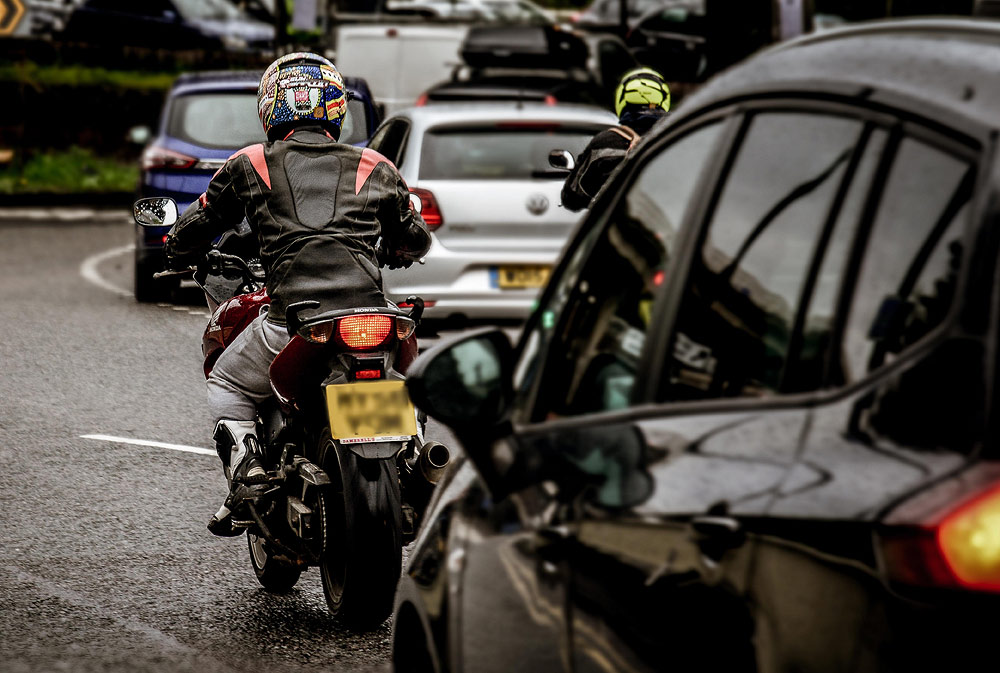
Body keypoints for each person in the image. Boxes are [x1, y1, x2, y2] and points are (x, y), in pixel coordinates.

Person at [162, 52, 431, 535]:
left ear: (270, 108)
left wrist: (176, 246)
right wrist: (395, 248)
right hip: (376, 317)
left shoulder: (249, 163)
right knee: (409, 378)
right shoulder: (376, 163)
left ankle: (250, 475)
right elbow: (416, 238)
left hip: (294, 322)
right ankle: (413, 456)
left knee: (227, 384)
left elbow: (198, 224)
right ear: (335, 108)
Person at [561, 67, 671, 212]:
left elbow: (572, 198)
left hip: (621, 230)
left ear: (622, 100)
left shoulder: (604, 143)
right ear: (664, 99)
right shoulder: (682, 138)